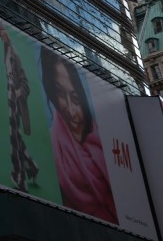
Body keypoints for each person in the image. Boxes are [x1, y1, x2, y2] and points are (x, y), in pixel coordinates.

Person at [40, 48, 118, 224]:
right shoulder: (51, 147)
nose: (70, 110)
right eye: (60, 94)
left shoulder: (107, 144)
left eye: (75, 98)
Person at [0, 22, 38, 192]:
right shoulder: (6, 50)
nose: (1, 36)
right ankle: (32, 166)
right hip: (10, 90)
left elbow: (25, 81)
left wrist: (19, 90)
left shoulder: (14, 52)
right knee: (15, 134)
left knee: (13, 134)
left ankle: (20, 176)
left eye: (3, 33)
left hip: (15, 93)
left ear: (7, 33)